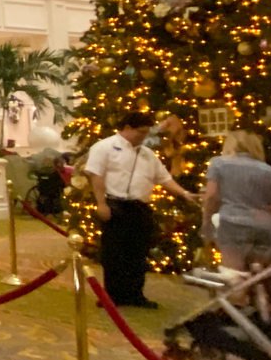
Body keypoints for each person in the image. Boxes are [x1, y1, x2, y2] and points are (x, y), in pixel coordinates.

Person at [84, 110, 197, 308]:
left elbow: (164, 178)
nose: (145, 137)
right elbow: (96, 177)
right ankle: (112, 297)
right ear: (127, 128)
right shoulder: (104, 147)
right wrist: (101, 204)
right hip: (115, 205)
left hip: (140, 208)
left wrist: (184, 193)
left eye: (147, 133)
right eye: (141, 132)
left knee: (138, 254)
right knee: (114, 254)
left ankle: (135, 295)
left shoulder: (147, 154)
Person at [199, 131, 271, 273]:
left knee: (234, 273)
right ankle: (260, 293)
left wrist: (206, 223)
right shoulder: (268, 170)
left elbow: (211, 196)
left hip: (233, 224)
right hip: (264, 226)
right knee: (260, 273)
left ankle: (237, 292)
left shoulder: (219, 163)